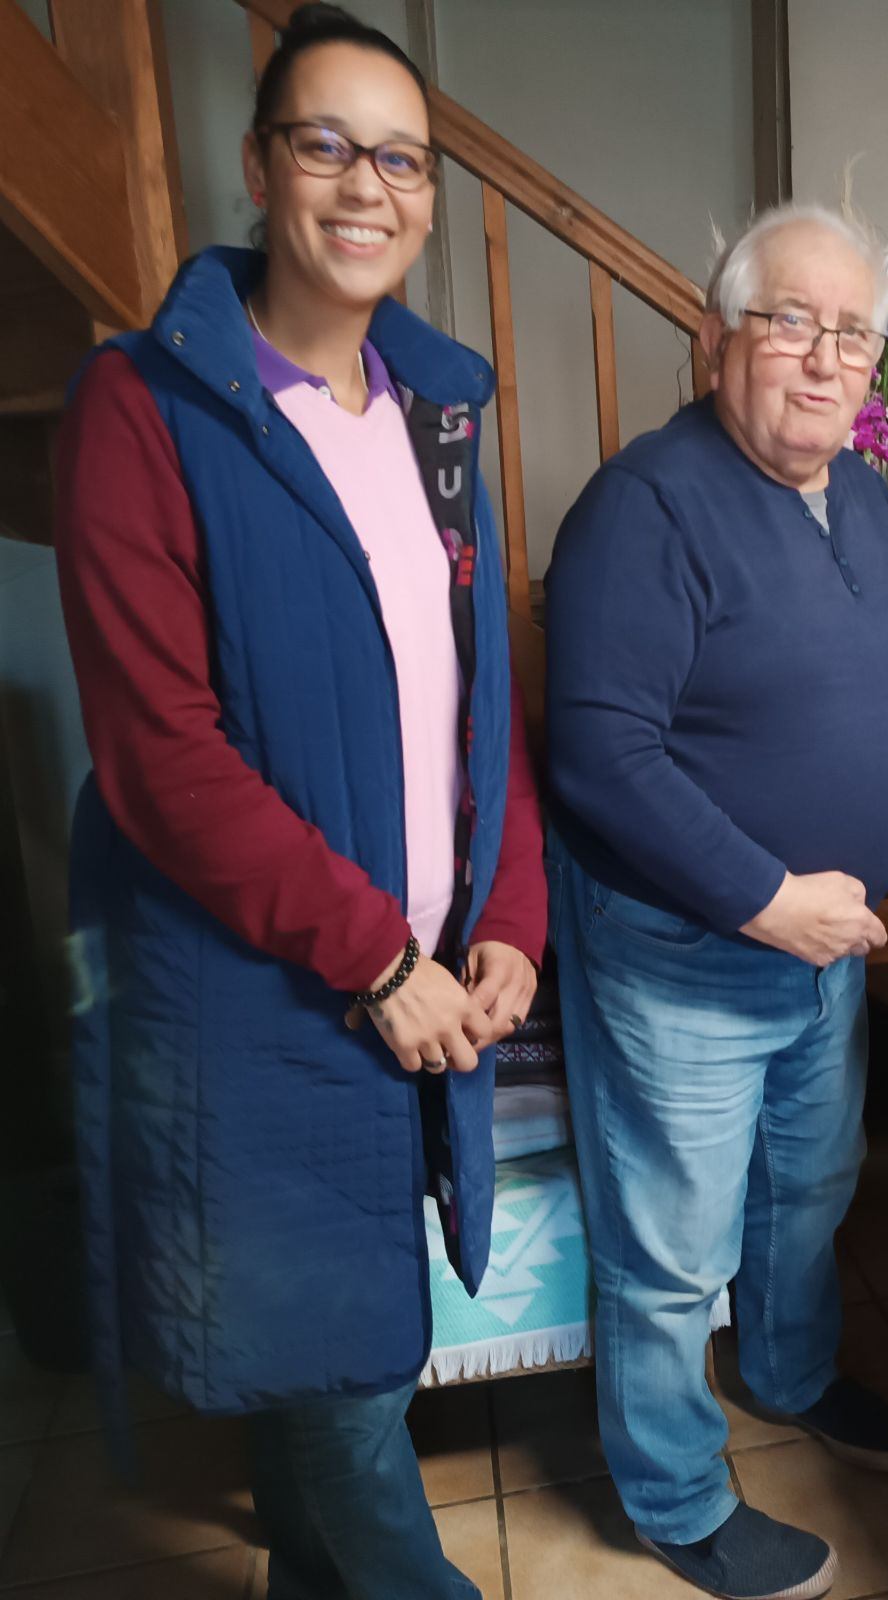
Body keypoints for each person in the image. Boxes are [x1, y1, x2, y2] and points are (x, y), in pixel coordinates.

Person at [52, 8, 545, 1596]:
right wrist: (375, 960)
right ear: (262, 168)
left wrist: (509, 924)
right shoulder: (147, 406)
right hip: (263, 994)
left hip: (419, 977)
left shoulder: (443, 412)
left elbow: (483, 714)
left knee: (325, 1362)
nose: (363, 185)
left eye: (398, 157)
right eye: (324, 143)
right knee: (339, 1391)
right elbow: (160, 757)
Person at [543, 201, 888, 1600]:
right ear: (713, 337)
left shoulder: (857, 489)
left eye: (849, 330)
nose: (821, 356)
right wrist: (760, 898)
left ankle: (789, 1372)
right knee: (671, 1247)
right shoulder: (645, 506)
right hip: (689, 947)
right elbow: (598, 755)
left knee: (809, 1188)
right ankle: (671, 1496)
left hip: (829, 943)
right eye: (787, 319)